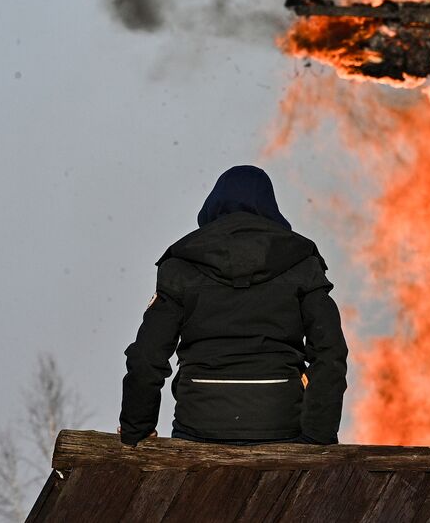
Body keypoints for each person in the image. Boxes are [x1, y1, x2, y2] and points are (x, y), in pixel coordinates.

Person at [119, 165, 348, 446]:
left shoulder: (181, 264)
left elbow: (147, 357)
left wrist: (136, 429)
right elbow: (330, 352)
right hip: (280, 423)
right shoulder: (301, 262)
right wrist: (318, 436)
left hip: (199, 425)